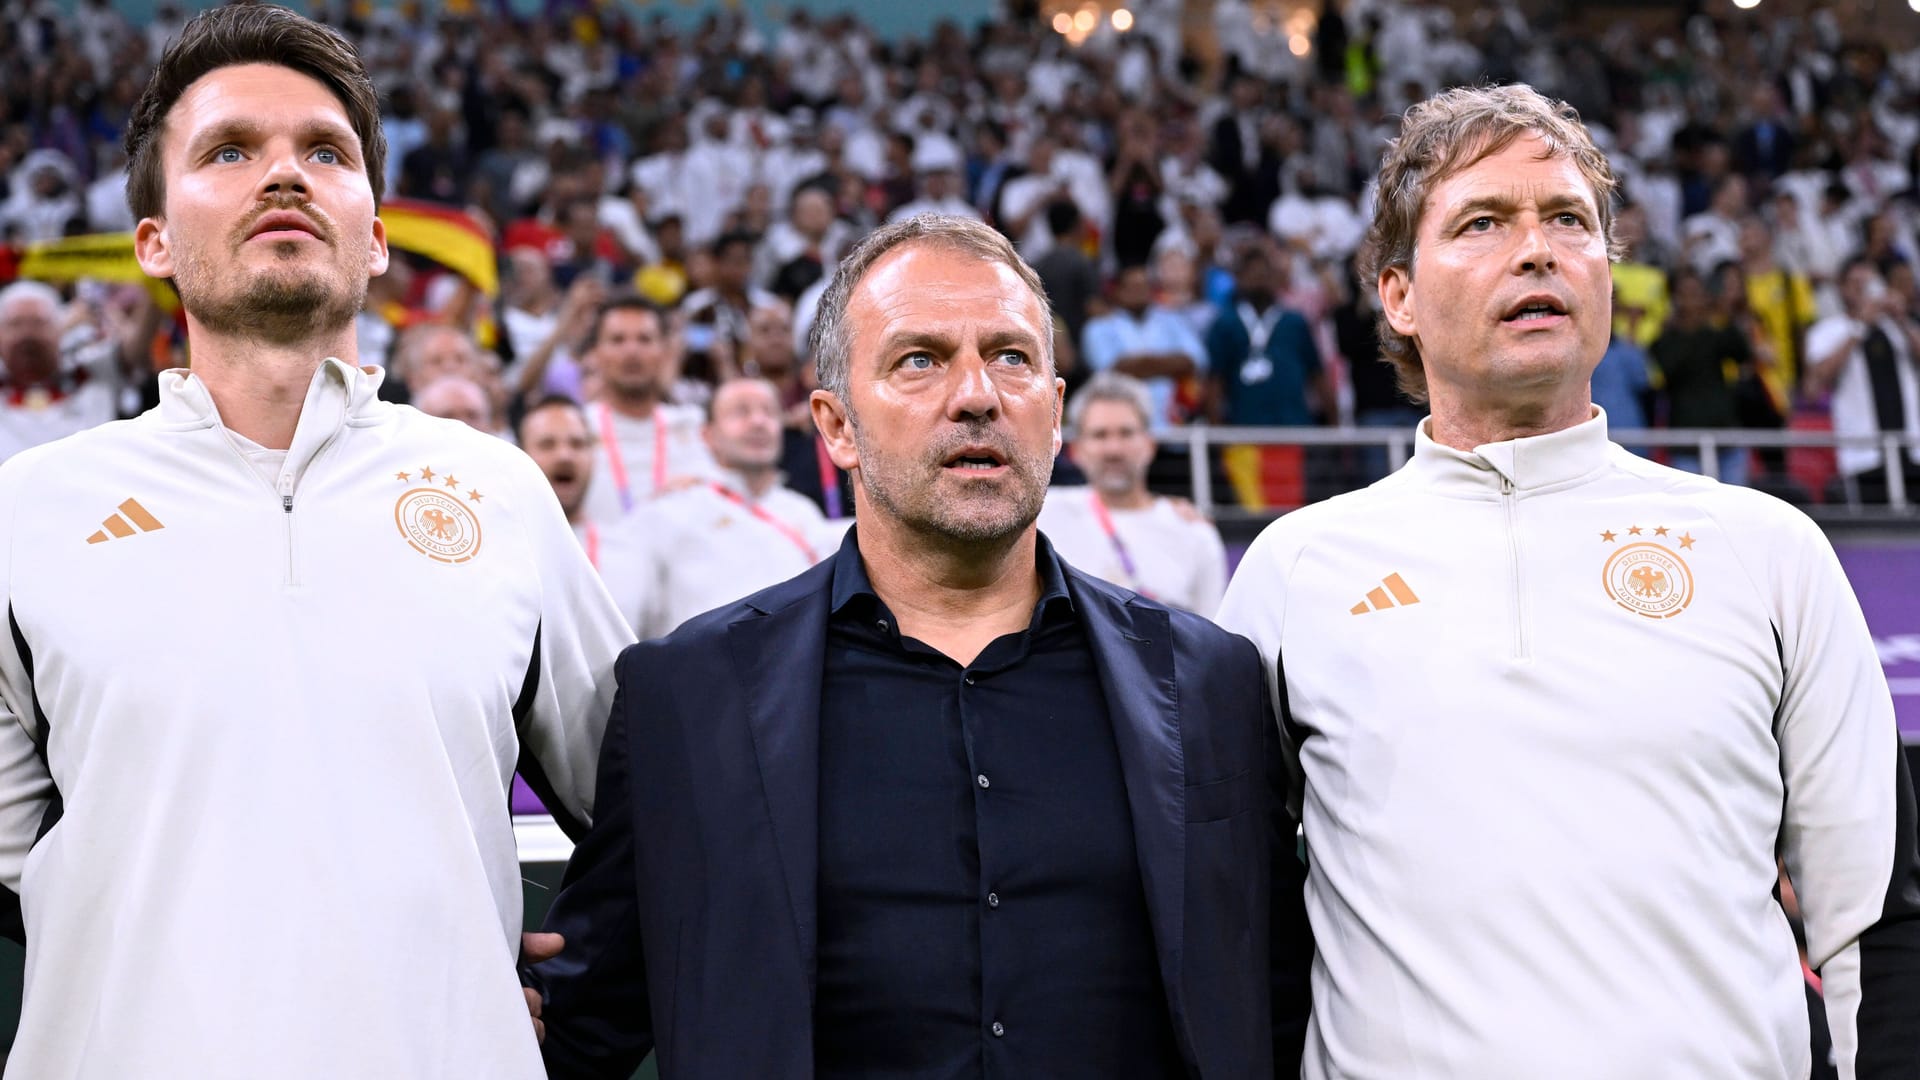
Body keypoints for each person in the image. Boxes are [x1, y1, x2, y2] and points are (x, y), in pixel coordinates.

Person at [1218, 84, 1920, 1079]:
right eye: (1481, 222)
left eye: (1568, 220)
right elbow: (1237, 930)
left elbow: (1874, 915)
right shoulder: (1292, 574)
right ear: (1398, 294)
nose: (1538, 249)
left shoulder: (1769, 551)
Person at [0, 8, 632, 1078]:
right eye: (231, 151)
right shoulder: (32, 511)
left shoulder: (500, 492)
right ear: (153, 237)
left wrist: (575, 998)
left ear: (375, 235)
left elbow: (652, 803)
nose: (284, 176)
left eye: (325, 152)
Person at [529, 215, 1311, 1077]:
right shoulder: (689, 697)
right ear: (834, 427)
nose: (977, 393)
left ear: (1054, 417)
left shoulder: (1208, 683)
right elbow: (575, 1026)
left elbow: (1279, 1000)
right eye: (920, 360)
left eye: (1012, 357)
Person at [625, 376, 842, 639]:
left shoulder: (803, 511)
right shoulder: (667, 513)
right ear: (708, 434)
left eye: (769, 412)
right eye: (741, 412)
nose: (758, 422)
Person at [1038, 373, 1229, 616]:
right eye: (1100, 435)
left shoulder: (1195, 534)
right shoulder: (1042, 515)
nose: (1114, 449)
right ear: (1076, 450)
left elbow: (1212, 639)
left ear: (1150, 444)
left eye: (1126, 433)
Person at [577, 294, 716, 526]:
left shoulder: (696, 426)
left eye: (644, 339)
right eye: (617, 340)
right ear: (596, 352)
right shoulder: (577, 430)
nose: (632, 351)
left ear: (665, 350)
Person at [517, 395, 650, 635]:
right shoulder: (502, 552)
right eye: (547, 444)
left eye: (577, 444)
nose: (564, 456)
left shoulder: (633, 552)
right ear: (519, 456)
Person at [1805, 257, 1920, 503]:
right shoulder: (1828, 330)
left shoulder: (1897, 327)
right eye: (1856, 284)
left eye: (1868, 283)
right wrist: (1859, 327)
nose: (1863, 290)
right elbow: (1818, 382)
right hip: (1864, 453)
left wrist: (1901, 319)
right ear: (1842, 288)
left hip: (1912, 448)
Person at [0, 281, 126, 462]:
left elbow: (137, 349)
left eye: (38, 323)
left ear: (60, 328)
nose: (27, 334)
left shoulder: (95, 372)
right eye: (15, 324)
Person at [1082, 262, 1209, 432]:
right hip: (1124, 428)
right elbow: (1113, 370)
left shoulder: (1173, 319)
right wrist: (1171, 365)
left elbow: (1196, 361)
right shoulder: (1099, 327)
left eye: (1144, 286)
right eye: (1133, 286)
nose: (1139, 292)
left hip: (1175, 428)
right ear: (1117, 291)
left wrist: (1139, 365)